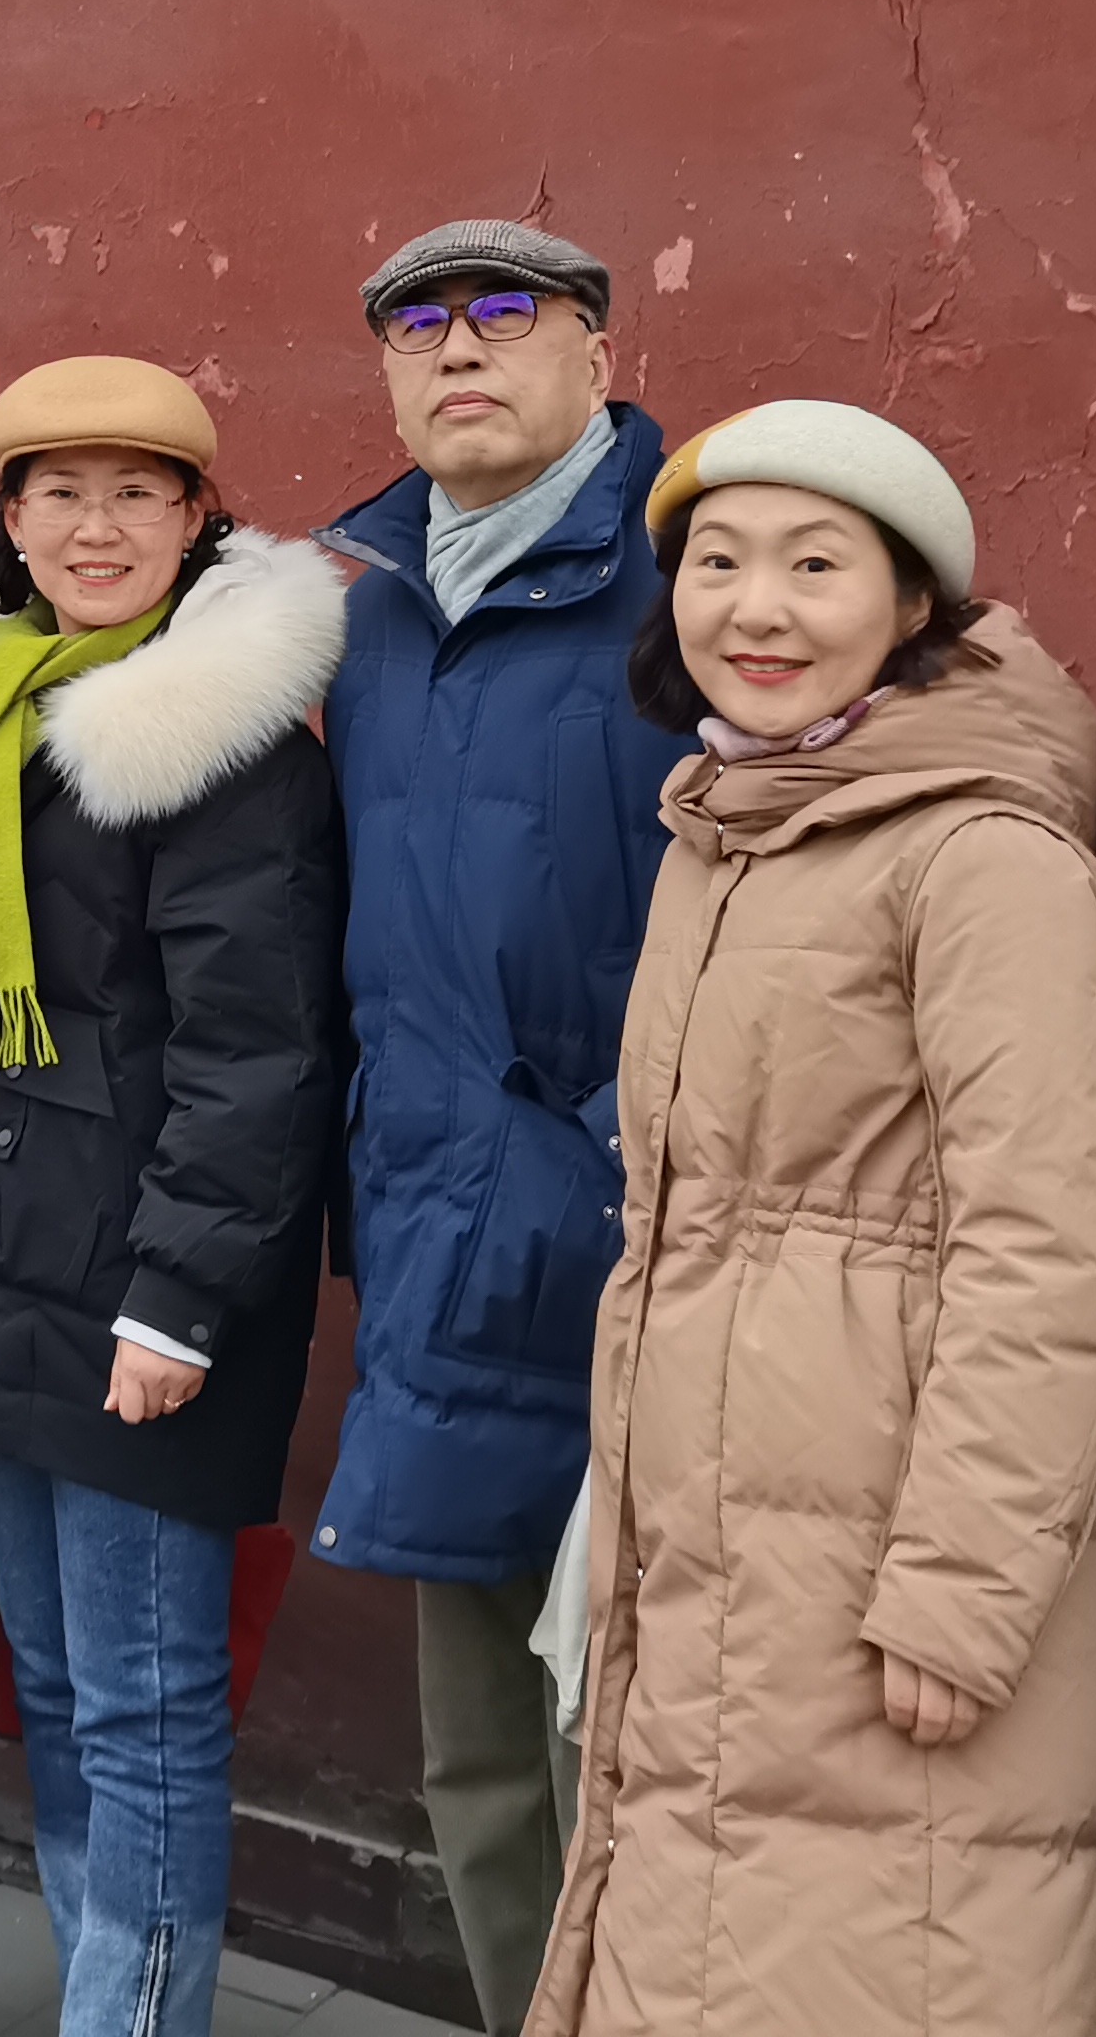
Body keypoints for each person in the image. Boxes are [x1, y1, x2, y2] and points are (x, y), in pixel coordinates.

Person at [532, 401, 1096, 2037]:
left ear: (911, 602)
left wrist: (961, 1590)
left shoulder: (981, 852)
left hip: (889, 1576)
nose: (760, 609)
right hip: (725, 1559)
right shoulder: (729, 828)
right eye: (718, 564)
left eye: (817, 566)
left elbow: (1053, 1238)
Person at [0, 359, 348, 2037]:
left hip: (137, 1302)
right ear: (9, 522)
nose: (97, 528)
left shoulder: (223, 744)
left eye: (137, 494)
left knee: (148, 1712)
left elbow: (258, 1051)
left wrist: (179, 1300)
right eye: (59, 495)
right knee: (61, 1694)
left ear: (197, 516)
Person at [307, 217, 679, 2034]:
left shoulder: (698, 576)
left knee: (637, 1742)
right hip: (437, 1241)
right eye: (418, 326)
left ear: (598, 353)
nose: (459, 349)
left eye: (505, 313)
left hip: (640, 1249)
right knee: (477, 1759)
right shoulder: (371, 611)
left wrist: (618, 1144)